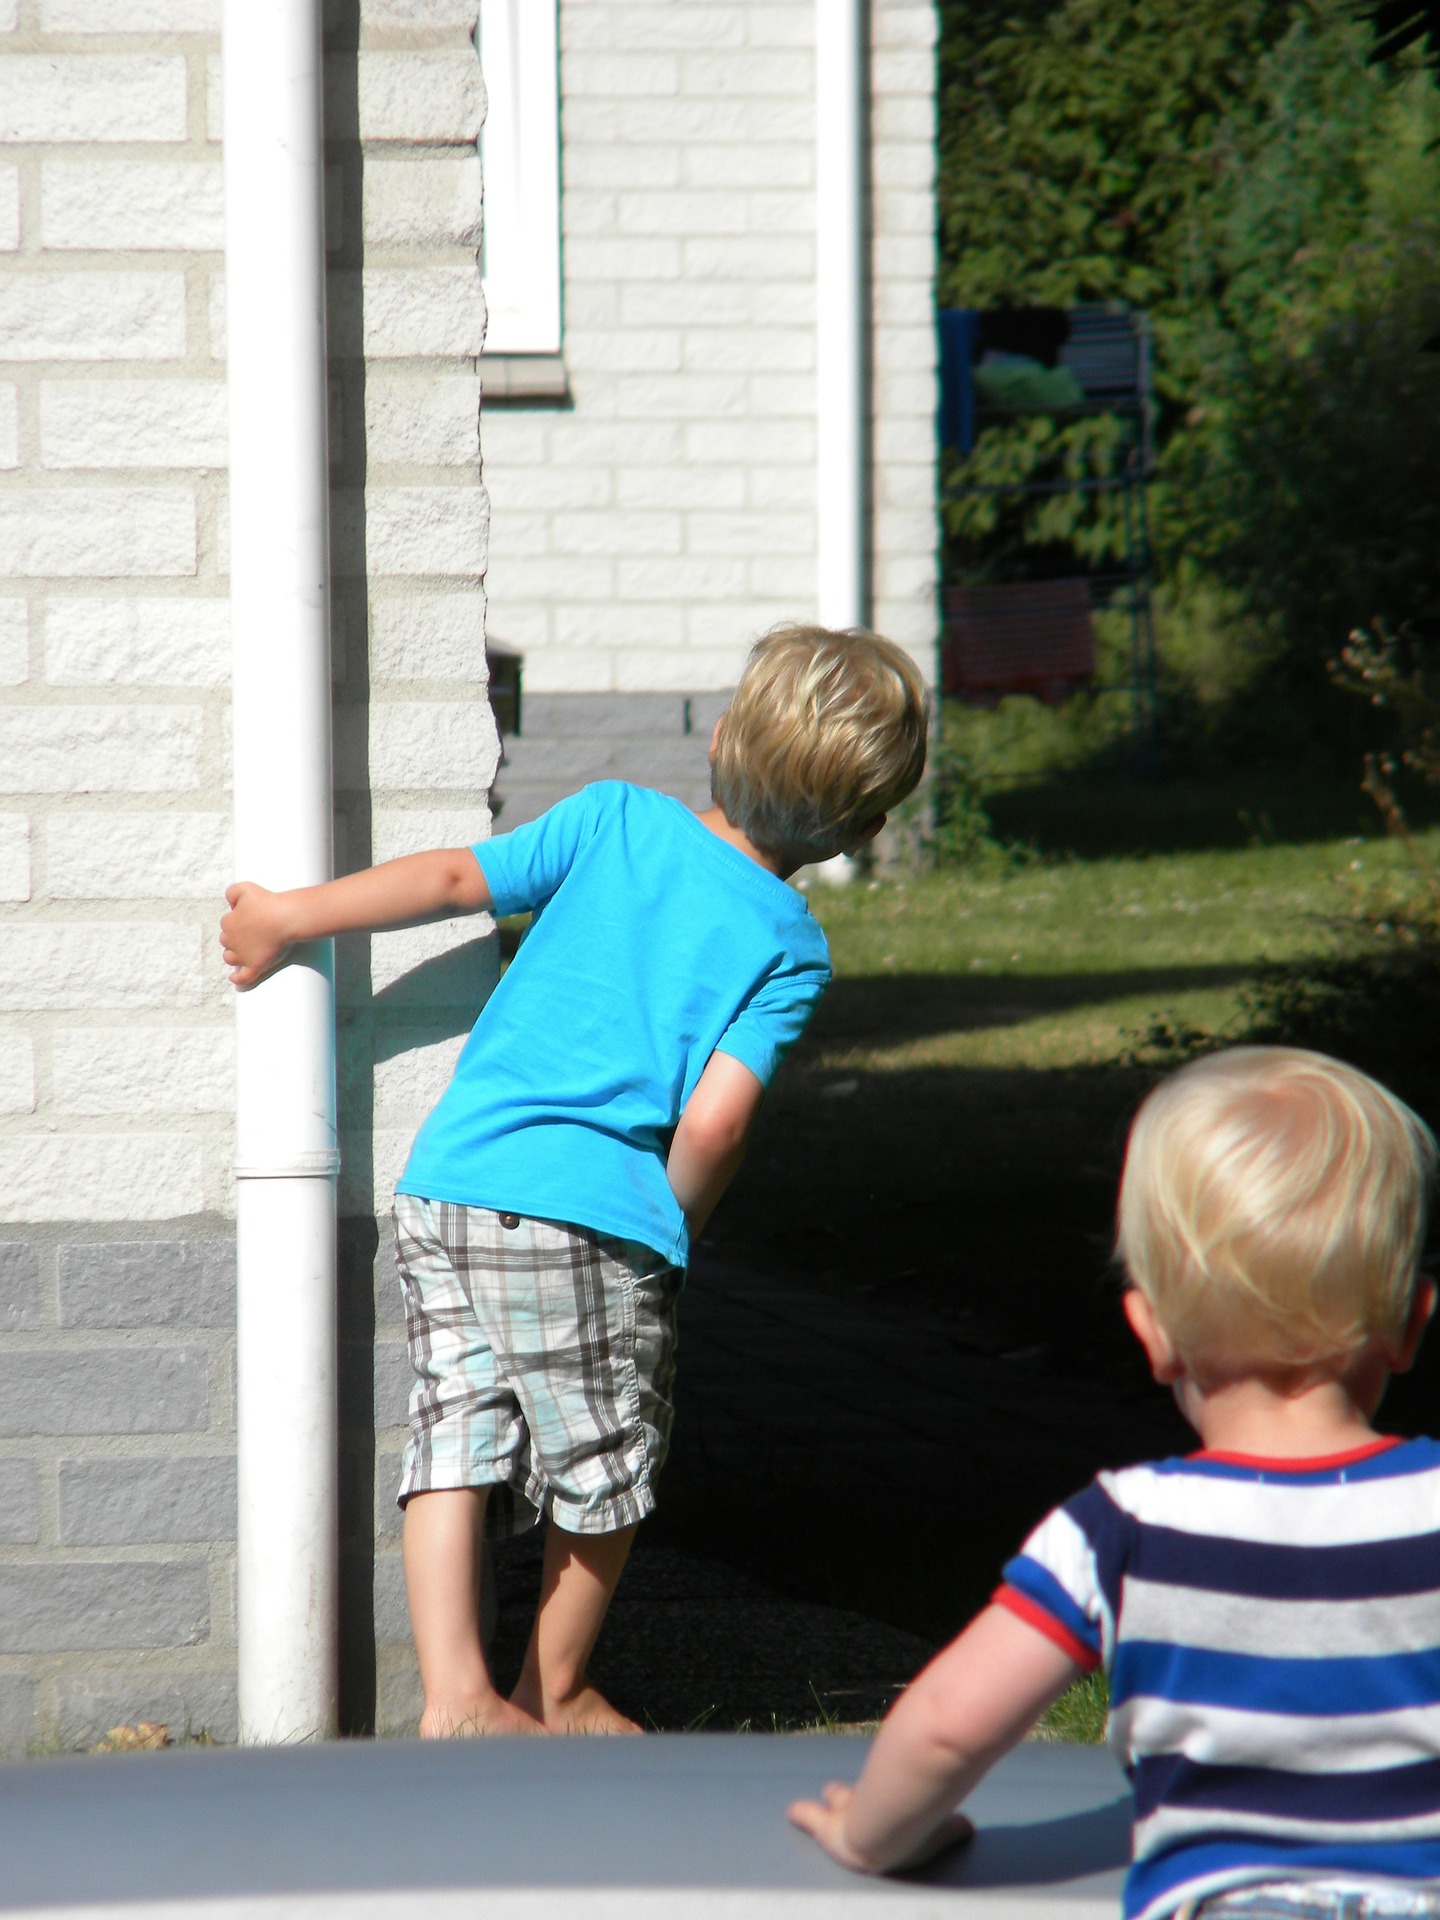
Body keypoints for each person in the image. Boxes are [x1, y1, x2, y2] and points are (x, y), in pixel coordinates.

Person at [220, 622, 929, 1737]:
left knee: (453, 1430)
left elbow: (455, 879)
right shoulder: (790, 945)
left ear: (721, 739)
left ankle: (455, 1694)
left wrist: (287, 917)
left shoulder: (613, 819)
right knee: (606, 1458)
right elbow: (718, 1118)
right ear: (863, 827)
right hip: (591, 1220)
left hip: (450, 1182)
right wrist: (672, 1221)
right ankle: (555, 1688)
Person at [791, 1045, 1440, 1920]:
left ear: (1151, 1331)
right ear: (1410, 1322)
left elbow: (949, 1722)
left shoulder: (1125, 1529)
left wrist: (870, 1837)